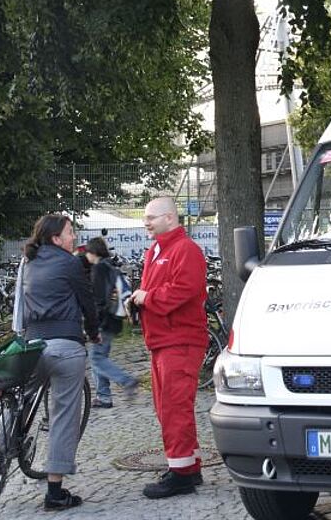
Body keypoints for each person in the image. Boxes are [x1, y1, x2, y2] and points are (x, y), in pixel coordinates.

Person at [19, 214, 100, 511]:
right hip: (65, 346)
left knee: (20, 401)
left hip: (31, 346)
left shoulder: (28, 262)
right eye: (70, 232)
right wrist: (94, 331)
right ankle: (55, 492)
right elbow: (87, 302)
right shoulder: (70, 263)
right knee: (64, 415)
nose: (74, 236)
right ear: (56, 238)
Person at [131, 196, 208, 499]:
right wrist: (139, 299)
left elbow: (185, 289)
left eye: (151, 217)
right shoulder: (157, 250)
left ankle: (181, 476)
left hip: (180, 340)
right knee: (168, 408)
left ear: (170, 218)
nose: (146, 222)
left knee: (174, 408)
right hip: (164, 341)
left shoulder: (185, 249)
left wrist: (146, 298)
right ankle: (188, 466)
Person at [83, 237, 138, 408]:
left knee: (97, 359)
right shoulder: (110, 266)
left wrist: (93, 324)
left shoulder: (99, 269)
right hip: (114, 319)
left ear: (93, 252)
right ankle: (104, 396)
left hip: (104, 321)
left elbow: (99, 300)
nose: (86, 256)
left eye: (87, 252)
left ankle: (126, 381)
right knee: (99, 357)